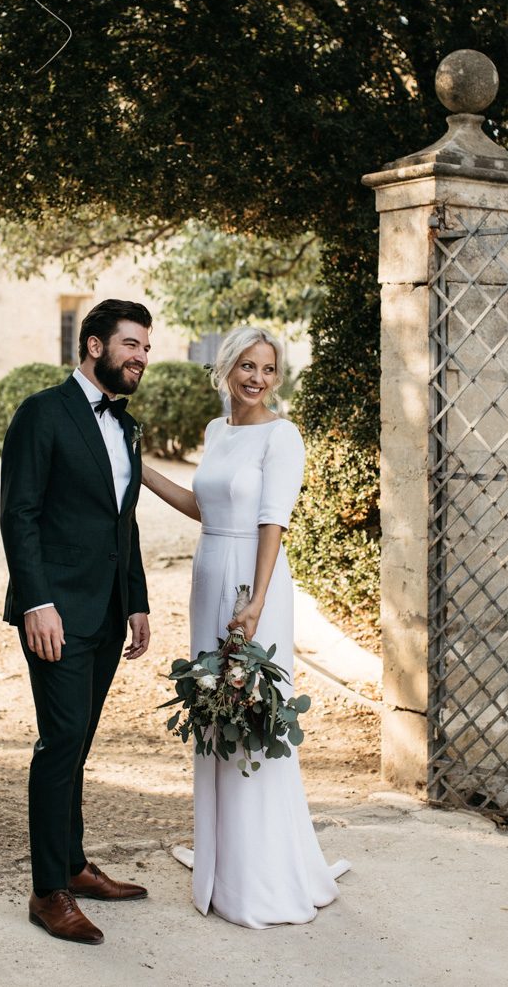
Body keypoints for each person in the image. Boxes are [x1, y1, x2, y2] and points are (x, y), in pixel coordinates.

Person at [141, 326, 350, 928]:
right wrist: (141, 470)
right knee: (214, 707)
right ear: (227, 368)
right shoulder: (216, 431)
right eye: (247, 366)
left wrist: (256, 601)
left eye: (268, 369)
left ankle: (260, 870)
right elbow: (204, 507)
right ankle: (220, 858)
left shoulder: (282, 437)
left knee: (252, 712)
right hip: (208, 573)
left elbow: (271, 522)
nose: (258, 378)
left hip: (251, 582)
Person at [0, 299, 153, 945]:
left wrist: (138, 600)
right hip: (55, 615)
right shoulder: (42, 413)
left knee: (79, 744)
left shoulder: (127, 427)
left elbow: (126, 521)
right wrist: (37, 602)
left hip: (109, 613)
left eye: (146, 348)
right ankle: (47, 891)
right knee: (60, 743)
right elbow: (19, 514)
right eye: (130, 346)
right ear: (93, 346)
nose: (141, 358)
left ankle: (75, 864)